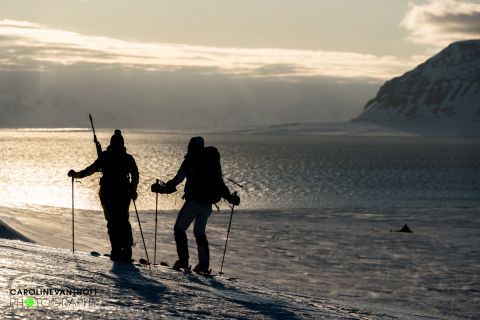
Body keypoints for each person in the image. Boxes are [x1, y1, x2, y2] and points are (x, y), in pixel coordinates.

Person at [151, 136, 240, 274]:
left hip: (194, 202)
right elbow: (220, 184)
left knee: (179, 229)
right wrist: (230, 198)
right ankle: (203, 265)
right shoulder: (212, 162)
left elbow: (177, 180)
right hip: (207, 205)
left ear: (190, 146)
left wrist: (162, 189)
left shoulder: (190, 160)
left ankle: (183, 261)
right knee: (199, 232)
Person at [68, 129, 139, 263]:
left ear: (111, 143)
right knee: (123, 221)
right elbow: (135, 175)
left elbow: (90, 170)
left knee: (112, 222)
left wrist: (75, 175)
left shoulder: (106, 156)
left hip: (108, 194)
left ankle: (116, 250)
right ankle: (126, 251)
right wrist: (133, 190)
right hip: (124, 194)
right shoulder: (127, 158)